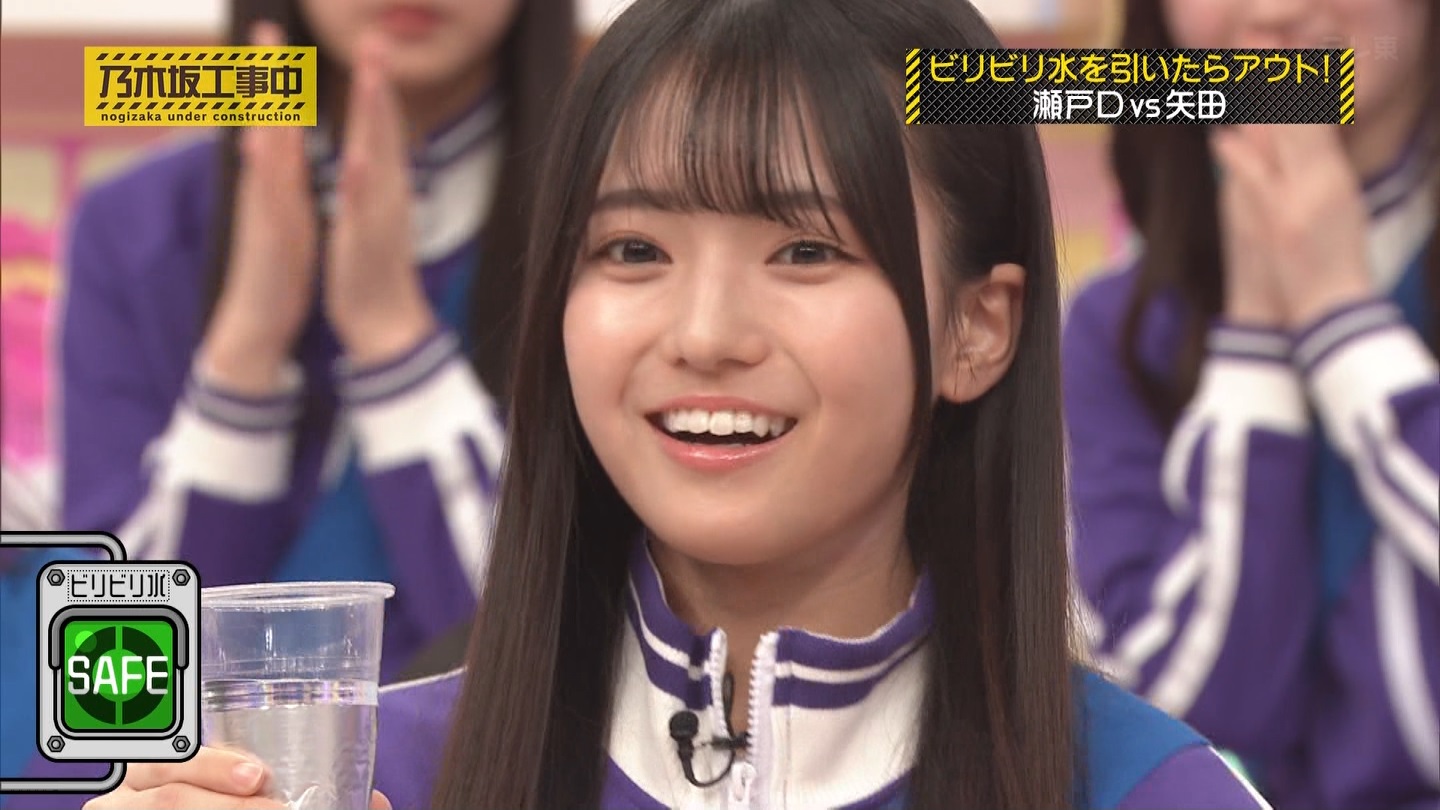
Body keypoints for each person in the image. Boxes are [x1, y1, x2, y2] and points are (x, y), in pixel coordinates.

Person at [16, 1, 1274, 808]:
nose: (706, 335)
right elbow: (95, 686)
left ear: (977, 327)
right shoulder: (378, 780)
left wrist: (395, 348)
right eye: (632, 252)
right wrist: (247, 348)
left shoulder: (1148, 787)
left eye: (805, 250)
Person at [56, 0, 573, 682]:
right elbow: (113, 670)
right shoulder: (138, 222)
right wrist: (246, 351)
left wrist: (394, 341)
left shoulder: (608, 214)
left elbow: (566, 662)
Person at [1062, 0, 1438, 807]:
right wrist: (1257, 334)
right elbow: (1194, 716)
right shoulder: (1117, 331)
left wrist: (1342, 321)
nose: (1273, 11)